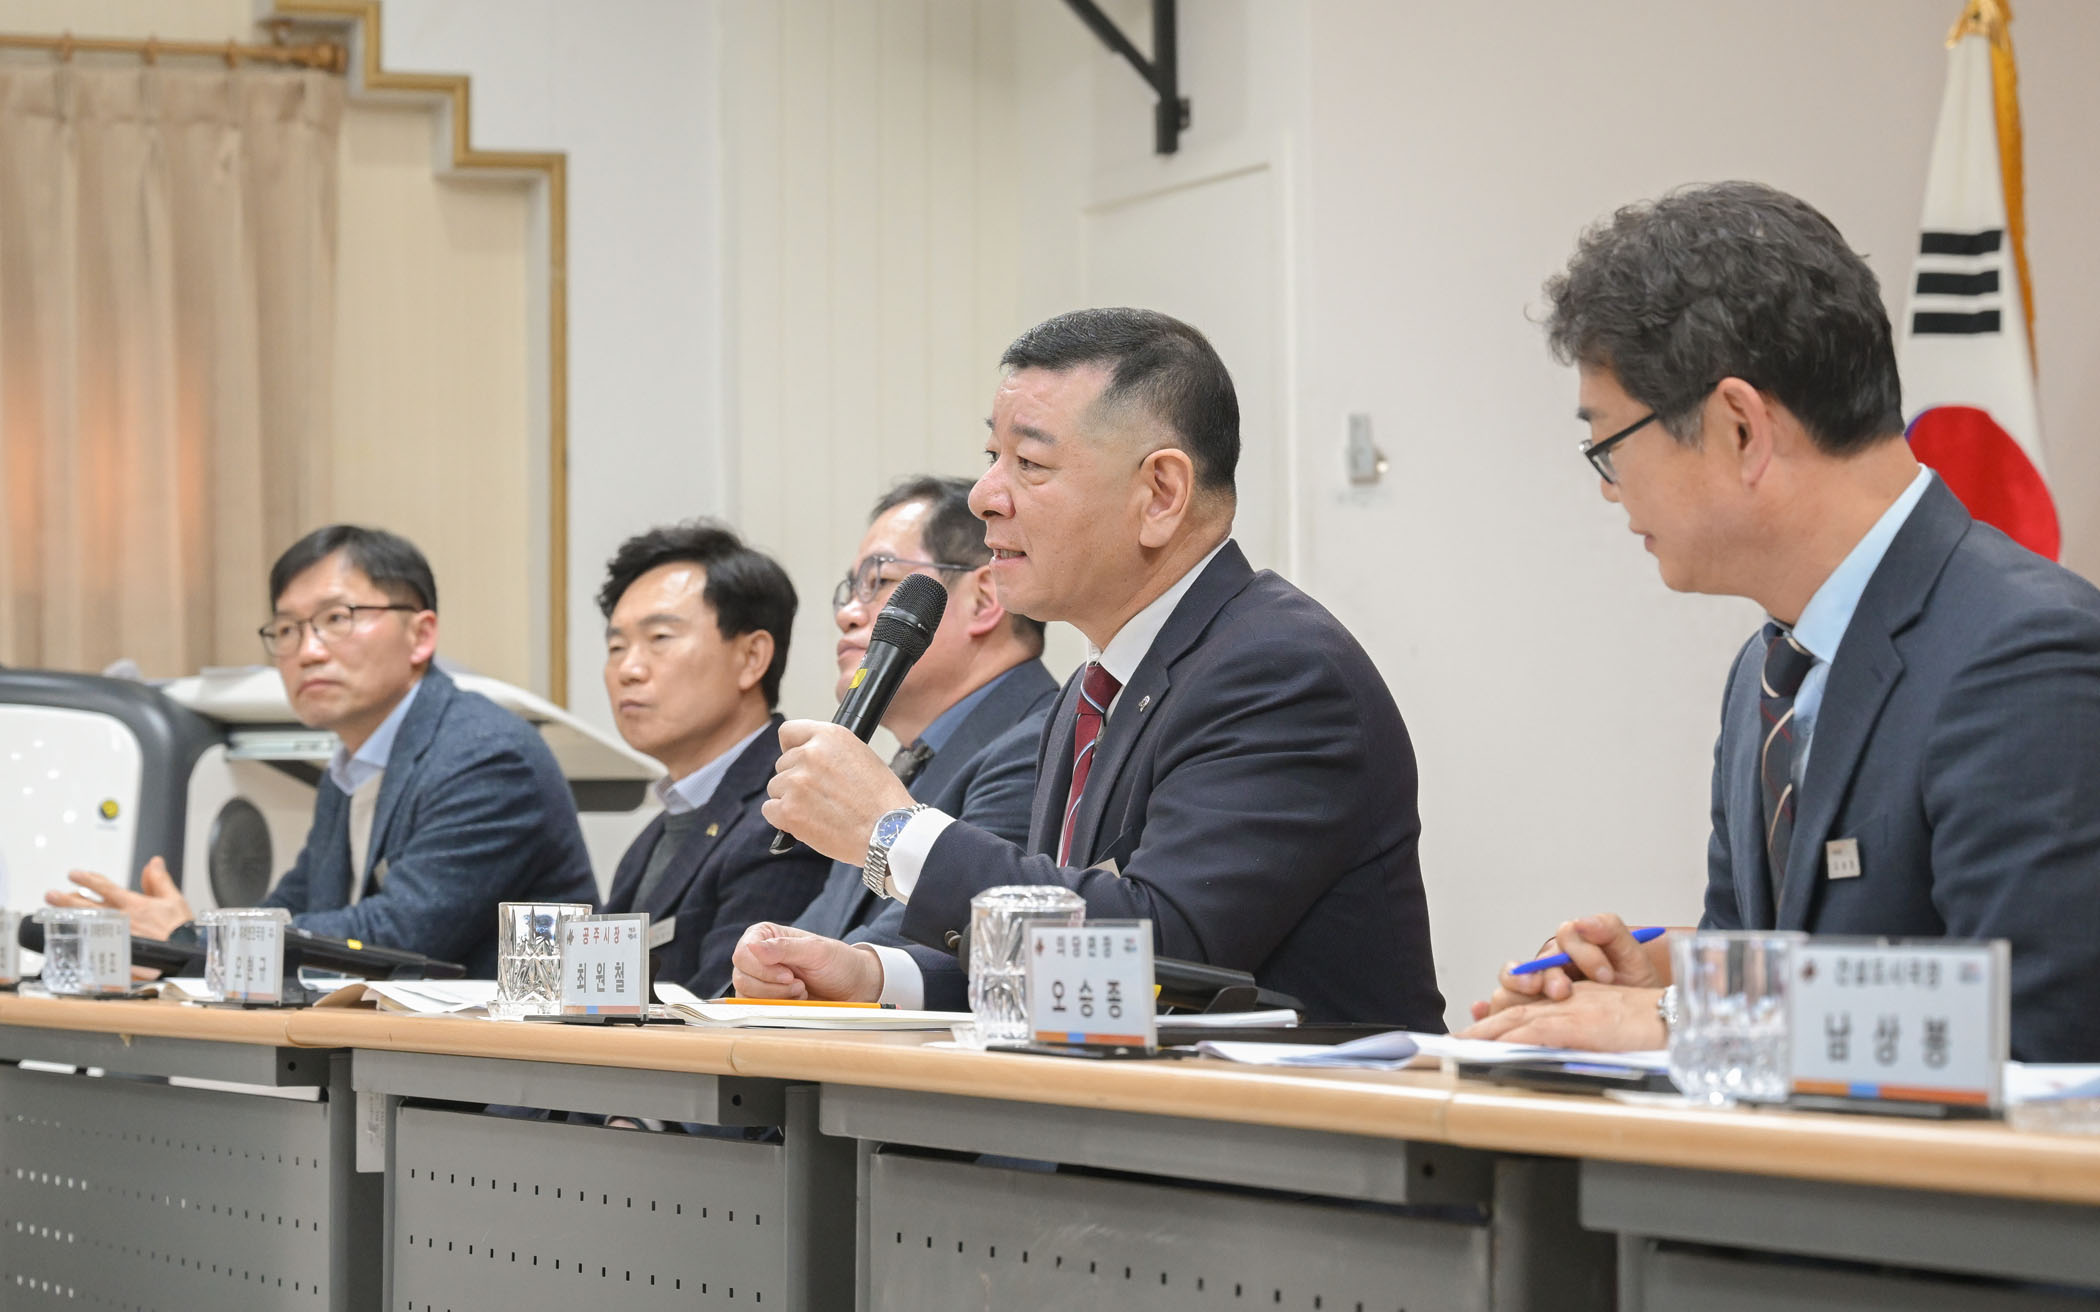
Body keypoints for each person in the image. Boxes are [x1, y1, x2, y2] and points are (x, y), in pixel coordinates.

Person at [1464, 182, 2100, 1062]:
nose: (1611, 490)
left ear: (1739, 427)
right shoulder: (1771, 666)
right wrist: (1668, 975)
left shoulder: (2023, 652)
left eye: (1610, 446)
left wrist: (1685, 1019)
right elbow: (1806, 947)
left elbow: (2033, 1026)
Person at [733, 308, 1444, 1027]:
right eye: (992, 456)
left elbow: (1157, 952)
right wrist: (873, 974)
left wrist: (893, 831)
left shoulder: (1280, 670)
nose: (984, 496)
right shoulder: (1096, 688)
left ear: (1161, 494)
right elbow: (1062, 952)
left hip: (1308, 1099)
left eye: (1030, 463)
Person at [49, 525, 598, 977]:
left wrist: (193, 941)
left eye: (336, 619)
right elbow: (292, 908)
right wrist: (181, 948)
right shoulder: (350, 768)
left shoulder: (487, 757)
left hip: (506, 1070)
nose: (307, 651)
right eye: (287, 629)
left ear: (421, 635)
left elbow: (401, 934)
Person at [788, 475, 1057, 945]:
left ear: (985, 598)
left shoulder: (1037, 745)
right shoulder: (910, 761)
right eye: (851, 589)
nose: (848, 613)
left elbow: (931, 947)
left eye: (882, 582)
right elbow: (820, 935)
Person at [595, 521, 828, 996]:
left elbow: (724, 1006)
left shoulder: (789, 814)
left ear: (751, 658)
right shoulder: (653, 837)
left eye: (660, 638)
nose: (628, 669)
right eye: (616, 647)